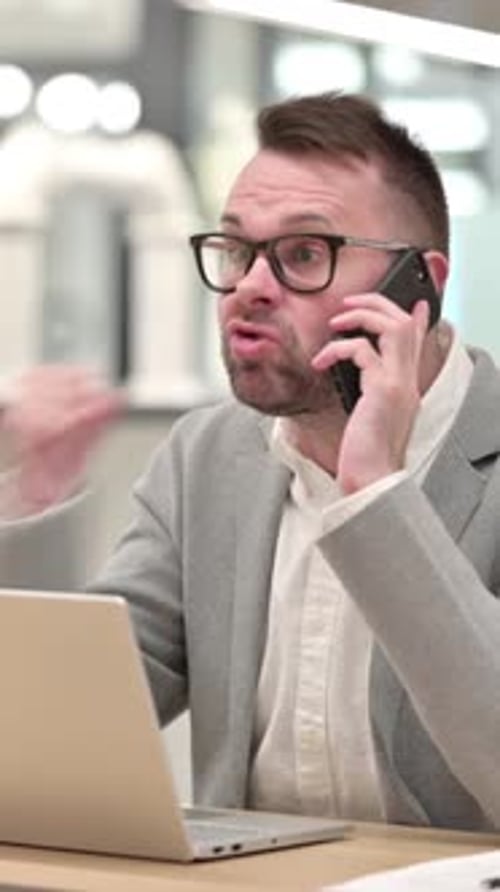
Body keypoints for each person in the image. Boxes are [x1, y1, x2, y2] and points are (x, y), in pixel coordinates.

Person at [2, 91, 500, 832]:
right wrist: (25, 510)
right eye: (237, 250)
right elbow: (56, 733)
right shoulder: (208, 457)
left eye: (303, 254)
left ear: (419, 288)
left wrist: (377, 497)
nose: (248, 288)